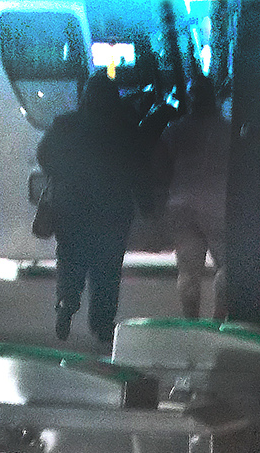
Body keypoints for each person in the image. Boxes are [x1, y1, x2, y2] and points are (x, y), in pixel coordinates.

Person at [37, 74, 155, 344]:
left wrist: (64, 174)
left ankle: (66, 302)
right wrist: (147, 204)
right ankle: (102, 323)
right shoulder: (125, 127)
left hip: (70, 205)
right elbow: (139, 169)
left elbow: (44, 155)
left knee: (70, 257)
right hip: (112, 209)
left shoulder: (65, 124)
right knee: (108, 267)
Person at [158, 77, 229, 320]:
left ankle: (191, 321)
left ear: (190, 99)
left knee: (188, 272)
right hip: (218, 206)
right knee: (228, 267)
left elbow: (160, 166)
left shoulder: (175, 130)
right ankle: (219, 319)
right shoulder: (227, 131)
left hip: (181, 205)